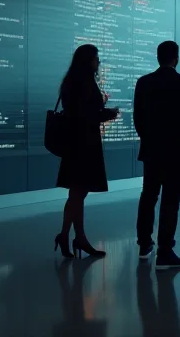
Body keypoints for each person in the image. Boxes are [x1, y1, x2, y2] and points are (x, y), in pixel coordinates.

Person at [134, 41, 180, 269]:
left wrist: (149, 141)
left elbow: (138, 119)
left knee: (148, 197)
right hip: (177, 153)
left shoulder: (144, 83)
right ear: (176, 59)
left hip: (151, 151)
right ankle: (165, 251)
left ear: (158, 57)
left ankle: (144, 245)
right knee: (171, 202)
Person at [54, 44, 120, 259]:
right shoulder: (84, 83)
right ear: (88, 60)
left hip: (76, 143)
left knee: (77, 193)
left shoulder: (71, 81)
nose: (98, 62)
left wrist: (100, 107)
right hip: (84, 144)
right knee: (78, 193)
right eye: (96, 58)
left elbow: (80, 111)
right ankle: (71, 236)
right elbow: (86, 115)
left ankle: (74, 237)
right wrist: (107, 113)